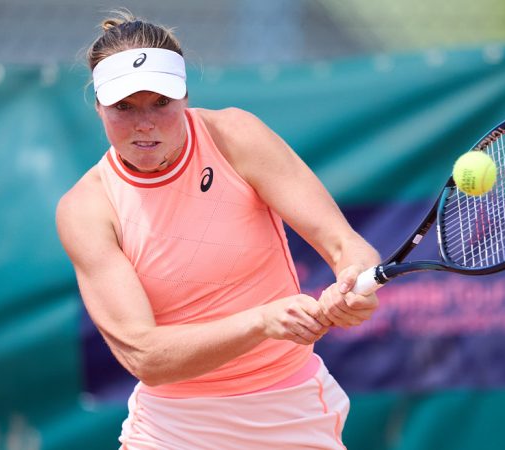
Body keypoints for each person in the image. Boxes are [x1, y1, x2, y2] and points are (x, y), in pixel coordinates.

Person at [56, 10, 380, 449]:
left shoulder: (235, 136)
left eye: (160, 103)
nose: (144, 123)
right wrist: (261, 321)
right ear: (98, 106)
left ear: (185, 96)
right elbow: (146, 356)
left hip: (291, 410)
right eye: (124, 107)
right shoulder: (86, 209)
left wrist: (355, 284)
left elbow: (346, 245)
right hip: (171, 429)